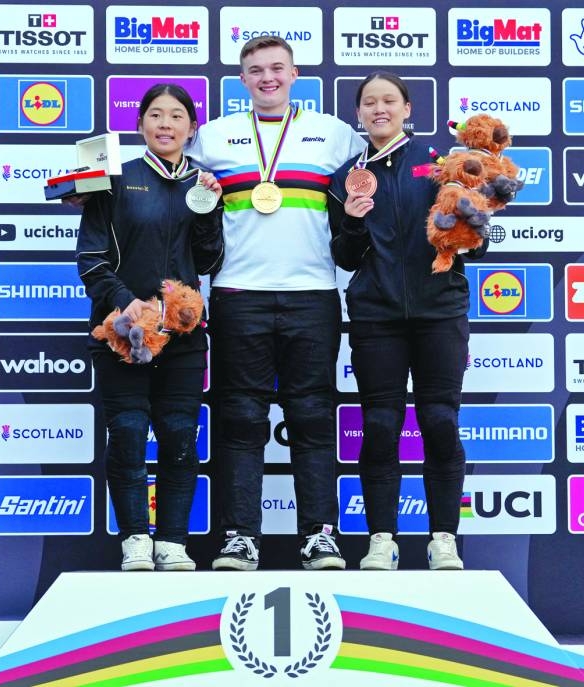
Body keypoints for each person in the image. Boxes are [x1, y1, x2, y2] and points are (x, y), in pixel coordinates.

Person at [184, 36, 366, 570]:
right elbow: (174, 190)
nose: (268, 78)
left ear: (294, 74)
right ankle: (240, 537)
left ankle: (319, 537)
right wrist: (99, 196)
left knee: (312, 418)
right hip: (239, 294)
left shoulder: (334, 134)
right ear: (242, 79)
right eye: (257, 70)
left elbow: (382, 178)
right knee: (241, 420)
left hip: (313, 294)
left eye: (277, 68)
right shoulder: (214, 136)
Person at [327, 72, 489, 571]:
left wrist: (469, 221)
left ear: (406, 108)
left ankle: (444, 539)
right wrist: (353, 220)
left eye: (389, 101)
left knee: (439, 421)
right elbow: (344, 256)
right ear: (358, 113)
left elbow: (478, 244)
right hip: (377, 316)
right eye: (369, 102)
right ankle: (382, 540)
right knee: (380, 426)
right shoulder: (347, 176)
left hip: (439, 311)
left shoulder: (442, 166)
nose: (379, 109)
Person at [76, 83, 224, 572]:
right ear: (139, 124)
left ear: (191, 127)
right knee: (127, 433)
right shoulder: (113, 179)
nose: (165, 124)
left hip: (183, 336)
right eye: (156, 114)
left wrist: (209, 213)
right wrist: (127, 305)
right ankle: (136, 539)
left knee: (180, 436)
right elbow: (91, 259)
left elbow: (210, 262)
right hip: (121, 332)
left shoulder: (203, 184)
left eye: (176, 116)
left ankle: (173, 542)